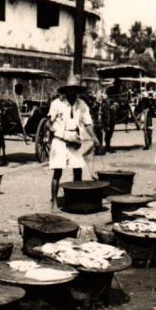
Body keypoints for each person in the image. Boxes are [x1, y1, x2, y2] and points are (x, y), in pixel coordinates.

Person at [47, 74, 95, 210]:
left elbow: (88, 123)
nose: (72, 92)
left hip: (74, 140)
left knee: (78, 170)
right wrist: (53, 130)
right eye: (70, 90)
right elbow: (48, 123)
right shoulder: (56, 104)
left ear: (77, 91)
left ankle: (75, 200)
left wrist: (94, 137)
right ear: (66, 90)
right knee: (58, 172)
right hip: (60, 140)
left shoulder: (82, 105)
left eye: (75, 90)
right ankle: (54, 203)